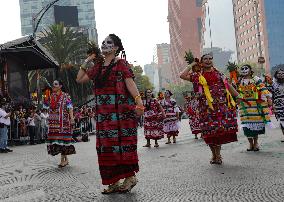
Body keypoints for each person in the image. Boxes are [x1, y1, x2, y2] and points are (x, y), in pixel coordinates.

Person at [76, 34, 143, 194]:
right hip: (103, 116)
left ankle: (130, 178)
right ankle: (112, 181)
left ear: (116, 48)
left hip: (121, 114)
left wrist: (139, 102)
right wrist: (88, 60)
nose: (104, 44)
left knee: (122, 146)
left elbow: (130, 83)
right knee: (106, 148)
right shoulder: (98, 66)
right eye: (103, 42)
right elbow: (80, 79)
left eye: (109, 42)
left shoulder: (121, 64)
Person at [180, 54, 240, 164]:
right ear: (201, 62)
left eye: (210, 59)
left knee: (219, 131)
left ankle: (218, 155)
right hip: (205, 108)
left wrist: (237, 96)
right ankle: (214, 154)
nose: (208, 61)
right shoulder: (197, 75)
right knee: (209, 132)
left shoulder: (219, 73)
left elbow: (228, 86)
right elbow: (182, 75)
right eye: (205, 59)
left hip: (220, 107)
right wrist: (192, 64)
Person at [238, 64, 272, 151]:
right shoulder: (239, 81)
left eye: (246, 68)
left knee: (255, 124)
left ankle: (256, 143)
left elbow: (263, 88)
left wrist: (268, 98)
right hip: (244, 106)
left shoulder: (256, 79)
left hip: (255, 105)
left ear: (250, 70)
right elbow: (237, 92)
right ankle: (250, 144)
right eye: (243, 69)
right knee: (247, 126)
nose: (244, 70)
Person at [43, 80, 76, 168]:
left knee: (63, 142)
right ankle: (66, 160)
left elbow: (70, 107)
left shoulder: (66, 96)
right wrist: (45, 96)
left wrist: (72, 118)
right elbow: (45, 106)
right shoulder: (51, 96)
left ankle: (62, 161)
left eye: (56, 84)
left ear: (60, 86)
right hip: (54, 124)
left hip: (63, 123)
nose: (53, 85)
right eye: (53, 84)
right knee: (58, 143)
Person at [271, 68, 284, 141]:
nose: (281, 75)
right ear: (276, 75)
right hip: (278, 105)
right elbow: (272, 96)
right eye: (279, 74)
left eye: (282, 74)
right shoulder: (273, 85)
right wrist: (273, 106)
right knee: (282, 122)